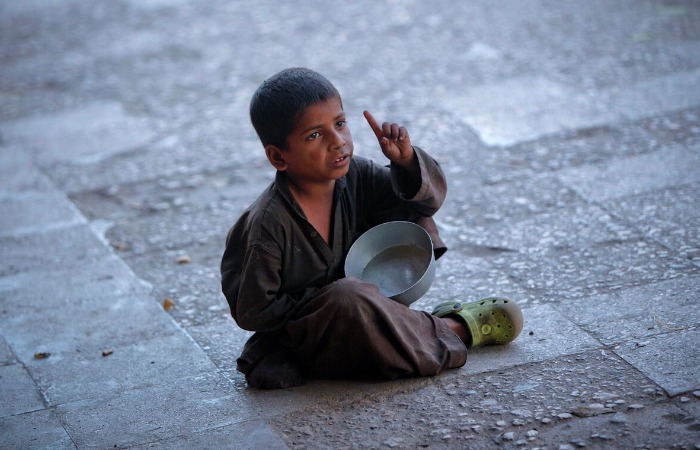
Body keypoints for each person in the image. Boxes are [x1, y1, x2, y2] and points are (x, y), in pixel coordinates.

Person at [221, 67, 523, 389]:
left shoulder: (357, 176)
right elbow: (254, 311)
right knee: (348, 296)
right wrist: (330, 298)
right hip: (311, 329)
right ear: (278, 157)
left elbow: (424, 206)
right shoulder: (269, 225)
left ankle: (384, 326)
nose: (338, 142)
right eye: (315, 135)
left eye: (339, 124)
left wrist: (405, 162)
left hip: (365, 304)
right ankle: (451, 328)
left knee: (410, 213)